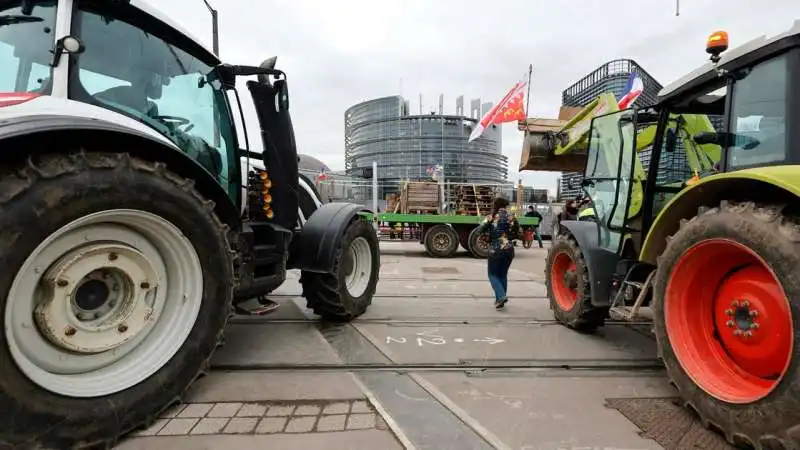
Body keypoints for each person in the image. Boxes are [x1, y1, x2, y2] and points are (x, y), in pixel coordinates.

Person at [478, 196, 519, 310]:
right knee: (502, 274)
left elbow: (479, 229)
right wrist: (509, 236)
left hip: (495, 249)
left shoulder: (491, 217)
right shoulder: (512, 217)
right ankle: (500, 301)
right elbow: (517, 230)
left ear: (495, 205)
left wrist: (487, 235)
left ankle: (501, 296)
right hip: (509, 249)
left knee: (492, 275)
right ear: (505, 206)